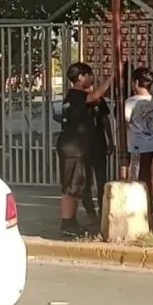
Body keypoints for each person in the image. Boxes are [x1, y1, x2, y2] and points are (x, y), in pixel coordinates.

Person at [56, 63, 110, 238]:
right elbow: (95, 95)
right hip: (73, 147)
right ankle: (67, 223)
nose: (92, 78)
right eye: (89, 75)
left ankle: (70, 222)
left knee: (75, 186)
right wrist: (111, 78)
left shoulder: (75, 97)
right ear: (80, 77)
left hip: (78, 147)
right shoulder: (76, 95)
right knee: (70, 187)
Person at [124, 67, 153, 219]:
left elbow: (126, 121)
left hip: (135, 145)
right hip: (149, 145)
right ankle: (149, 208)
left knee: (134, 178)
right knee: (146, 177)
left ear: (136, 82)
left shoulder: (131, 102)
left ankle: (135, 210)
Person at [82, 90, 114, 221]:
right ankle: (90, 211)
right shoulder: (77, 100)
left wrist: (110, 140)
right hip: (83, 147)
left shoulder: (99, 100)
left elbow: (105, 120)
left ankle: (102, 209)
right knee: (85, 181)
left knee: (101, 180)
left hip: (99, 145)